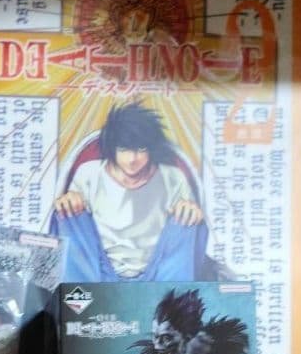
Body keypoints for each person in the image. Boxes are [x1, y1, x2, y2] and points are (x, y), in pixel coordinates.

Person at [53, 102, 207, 282]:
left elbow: (186, 236)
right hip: (97, 273)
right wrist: (69, 201)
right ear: (112, 148)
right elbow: (74, 227)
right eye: (123, 149)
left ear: (151, 148)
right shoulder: (89, 173)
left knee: (189, 220)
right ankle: (79, 294)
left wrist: (190, 211)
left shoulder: (172, 176)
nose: (132, 159)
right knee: (66, 214)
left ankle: (174, 294)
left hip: (159, 274)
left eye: (141, 149)